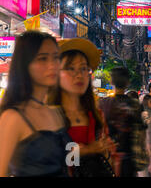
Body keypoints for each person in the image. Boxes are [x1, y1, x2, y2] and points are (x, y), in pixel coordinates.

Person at [0, 31, 71, 177]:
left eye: (56, 57)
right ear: (25, 64)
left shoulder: (56, 112)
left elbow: (70, 160)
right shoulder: (13, 118)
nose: (52, 65)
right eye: (42, 58)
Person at [47, 38, 116, 177]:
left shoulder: (96, 116)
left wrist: (105, 151)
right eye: (70, 68)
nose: (79, 75)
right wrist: (87, 150)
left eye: (84, 68)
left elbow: (107, 161)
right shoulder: (45, 115)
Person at [99, 66, 143, 177]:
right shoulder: (135, 104)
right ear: (128, 82)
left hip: (108, 156)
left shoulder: (103, 104)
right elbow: (140, 132)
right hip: (129, 156)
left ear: (111, 81)